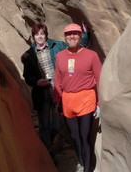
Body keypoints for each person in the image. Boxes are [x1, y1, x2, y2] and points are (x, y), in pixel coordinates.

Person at [21, 23, 88, 157]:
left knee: (57, 124)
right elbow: (27, 76)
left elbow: (75, 49)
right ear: (33, 36)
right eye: (37, 34)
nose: (40, 37)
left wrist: (84, 35)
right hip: (42, 94)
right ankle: (48, 154)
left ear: (46, 34)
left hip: (58, 92)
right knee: (44, 125)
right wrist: (37, 82)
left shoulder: (56, 47)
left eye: (42, 34)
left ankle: (56, 143)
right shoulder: (28, 55)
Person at [54, 23, 102, 172]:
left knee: (84, 136)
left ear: (81, 36)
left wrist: (99, 104)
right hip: (67, 100)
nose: (72, 36)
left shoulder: (91, 55)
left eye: (75, 34)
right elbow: (58, 79)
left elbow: (99, 79)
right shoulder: (60, 56)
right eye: (68, 34)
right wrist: (57, 101)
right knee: (74, 136)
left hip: (86, 98)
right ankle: (81, 164)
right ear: (65, 37)